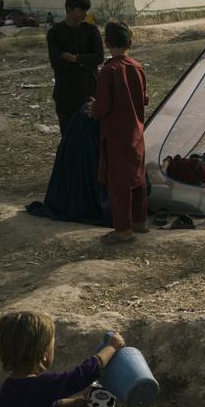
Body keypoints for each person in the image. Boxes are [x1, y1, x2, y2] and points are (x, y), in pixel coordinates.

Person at [0, 311, 147, 407]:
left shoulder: (9, 385)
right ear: (44, 354)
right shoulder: (44, 383)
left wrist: (72, 403)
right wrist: (111, 347)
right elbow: (82, 375)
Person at [87, 22, 149, 245]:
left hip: (115, 133)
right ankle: (140, 221)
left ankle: (123, 229)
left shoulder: (109, 70)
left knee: (118, 181)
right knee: (138, 176)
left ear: (107, 43)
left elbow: (102, 107)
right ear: (130, 42)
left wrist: (92, 109)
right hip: (136, 131)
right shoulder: (137, 67)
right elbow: (144, 99)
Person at [47, 0, 104, 132]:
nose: (84, 14)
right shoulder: (55, 33)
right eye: (81, 10)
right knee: (69, 134)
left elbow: (98, 57)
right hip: (66, 94)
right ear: (69, 10)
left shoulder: (91, 31)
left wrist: (76, 59)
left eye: (86, 11)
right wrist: (85, 61)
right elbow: (57, 63)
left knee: (92, 134)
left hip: (89, 91)